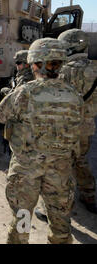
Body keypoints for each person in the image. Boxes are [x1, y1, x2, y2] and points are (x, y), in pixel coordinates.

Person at [0, 38, 84, 244]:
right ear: (60, 64)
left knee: (23, 217)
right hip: (60, 170)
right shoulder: (74, 95)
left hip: (26, 169)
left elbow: (1, 115)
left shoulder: (25, 92)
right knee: (60, 220)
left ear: (35, 64)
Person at [34, 29, 97, 222]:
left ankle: (52, 207)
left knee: (57, 165)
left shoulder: (64, 70)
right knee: (81, 161)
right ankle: (90, 196)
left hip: (63, 127)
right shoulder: (94, 67)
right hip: (86, 126)